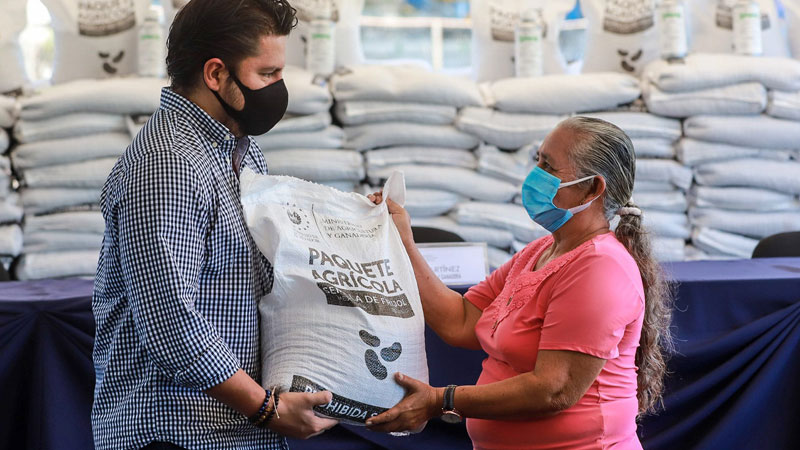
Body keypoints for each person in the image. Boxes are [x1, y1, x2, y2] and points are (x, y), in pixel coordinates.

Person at [91, 1, 337, 449]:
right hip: (180, 433)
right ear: (215, 75)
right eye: (268, 74)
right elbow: (172, 322)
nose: (279, 88)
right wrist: (266, 409)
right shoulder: (168, 166)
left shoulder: (235, 149)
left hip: (233, 432)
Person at [367, 117, 673, 449]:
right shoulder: (540, 251)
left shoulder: (600, 267)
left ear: (593, 188)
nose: (535, 176)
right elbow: (463, 321)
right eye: (537, 161)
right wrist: (404, 245)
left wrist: (443, 399)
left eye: (549, 167)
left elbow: (554, 389)